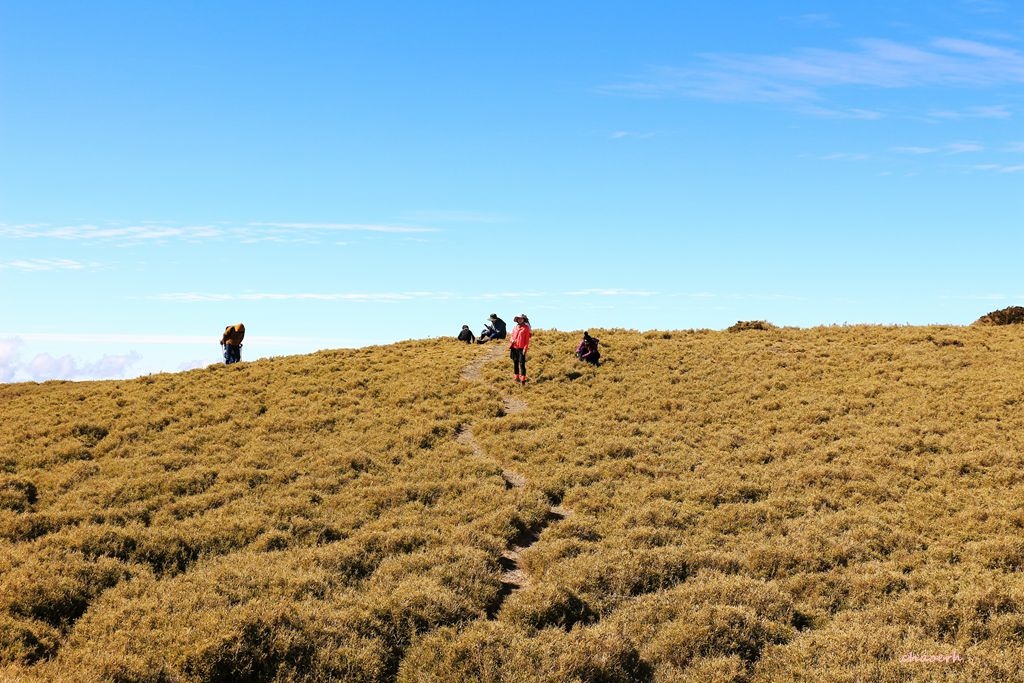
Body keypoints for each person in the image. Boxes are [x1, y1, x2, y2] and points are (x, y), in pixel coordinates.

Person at [509, 314, 532, 383]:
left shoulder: (526, 328)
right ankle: (516, 378)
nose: (520, 320)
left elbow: (527, 340)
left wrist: (525, 348)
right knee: (515, 363)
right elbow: (511, 336)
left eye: (521, 319)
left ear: (524, 319)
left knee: (522, 364)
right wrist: (512, 340)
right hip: (514, 348)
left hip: (521, 348)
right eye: (518, 319)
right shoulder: (515, 327)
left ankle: (523, 380)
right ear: (517, 320)